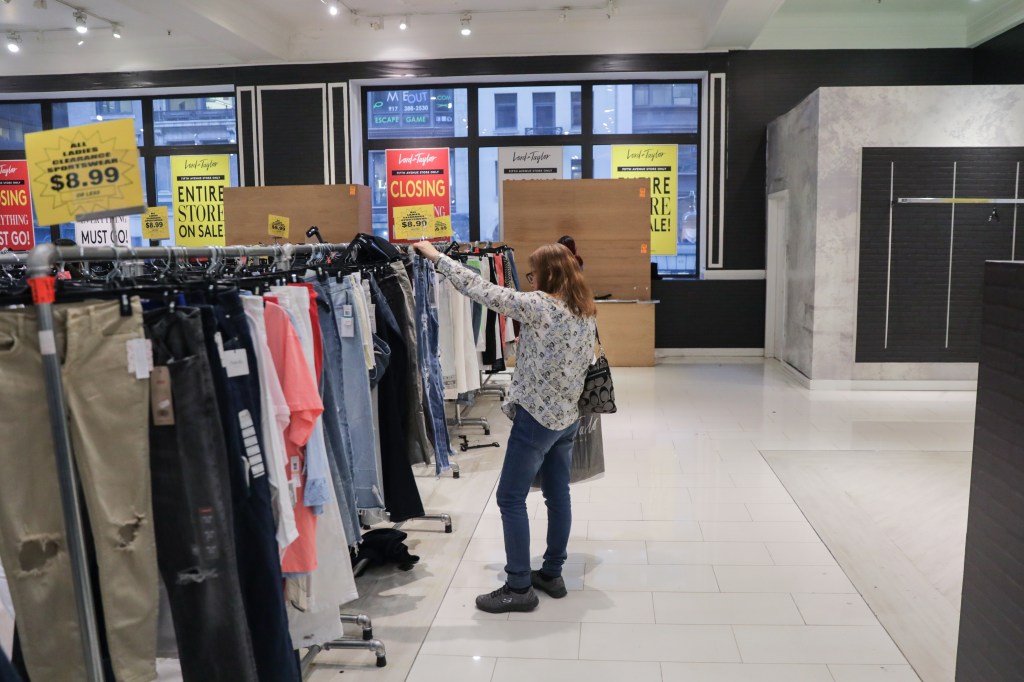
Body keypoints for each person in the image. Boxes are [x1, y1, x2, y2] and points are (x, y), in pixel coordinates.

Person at [412, 240, 597, 613]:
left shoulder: (539, 306)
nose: (531, 279)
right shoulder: (584, 310)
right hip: (566, 419)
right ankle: (552, 573)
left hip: (535, 419)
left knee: (510, 498)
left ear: (547, 273)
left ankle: (518, 586)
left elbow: (481, 288)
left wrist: (437, 258)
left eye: (533, 272)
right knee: (558, 495)